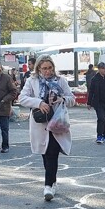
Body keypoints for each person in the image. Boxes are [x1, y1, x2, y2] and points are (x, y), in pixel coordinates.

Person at [19, 55, 76, 201]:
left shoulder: (60, 80)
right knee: (45, 154)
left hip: (57, 122)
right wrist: (38, 103)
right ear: (38, 68)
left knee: (52, 153)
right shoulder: (32, 81)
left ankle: (48, 185)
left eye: (50, 68)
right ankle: (52, 181)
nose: (47, 71)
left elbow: (72, 99)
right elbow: (22, 98)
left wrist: (62, 99)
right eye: (44, 68)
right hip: (41, 123)